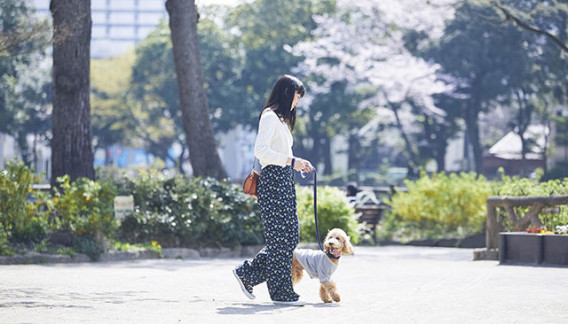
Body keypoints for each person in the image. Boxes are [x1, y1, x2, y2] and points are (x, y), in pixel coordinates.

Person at [233, 75, 314, 306]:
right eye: (297, 96)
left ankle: (247, 273)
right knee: (280, 239)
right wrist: (291, 161)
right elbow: (261, 151)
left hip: (284, 181)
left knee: (289, 237)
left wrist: (296, 163)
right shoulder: (269, 117)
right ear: (288, 93)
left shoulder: (280, 119)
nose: (297, 102)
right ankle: (280, 293)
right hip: (274, 182)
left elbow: (280, 153)